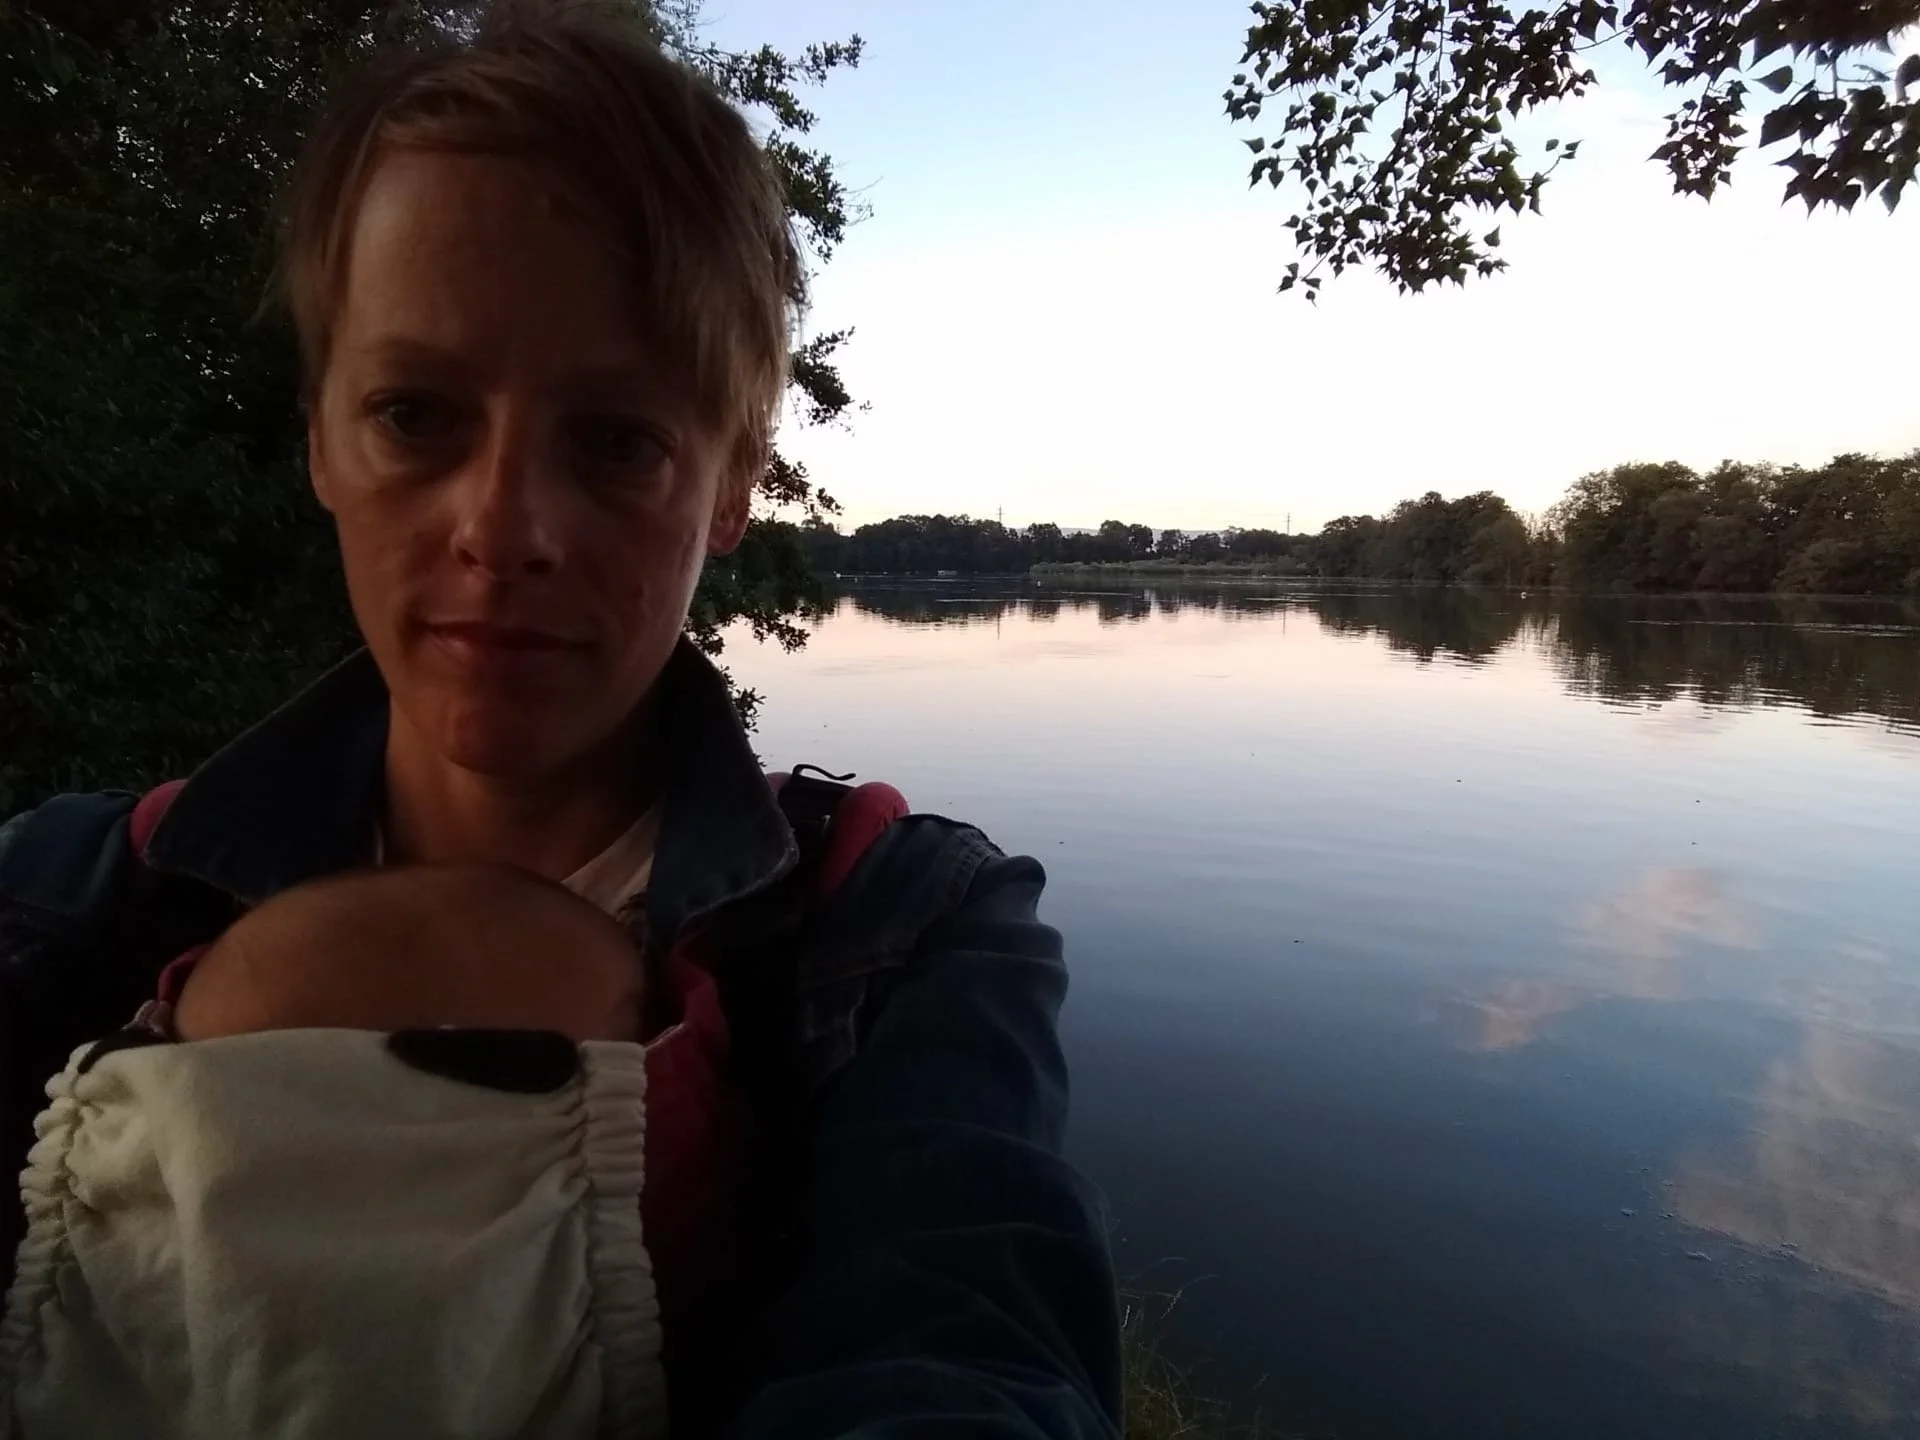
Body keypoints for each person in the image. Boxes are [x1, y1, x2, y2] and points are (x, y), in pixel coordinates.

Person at [0, 2, 1122, 1437]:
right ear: (320, 442)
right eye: (415, 415)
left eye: (615, 441)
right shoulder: (67, 898)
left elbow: (966, 1358)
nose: (504, 528)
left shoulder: (899, 942)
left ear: (728, 491)